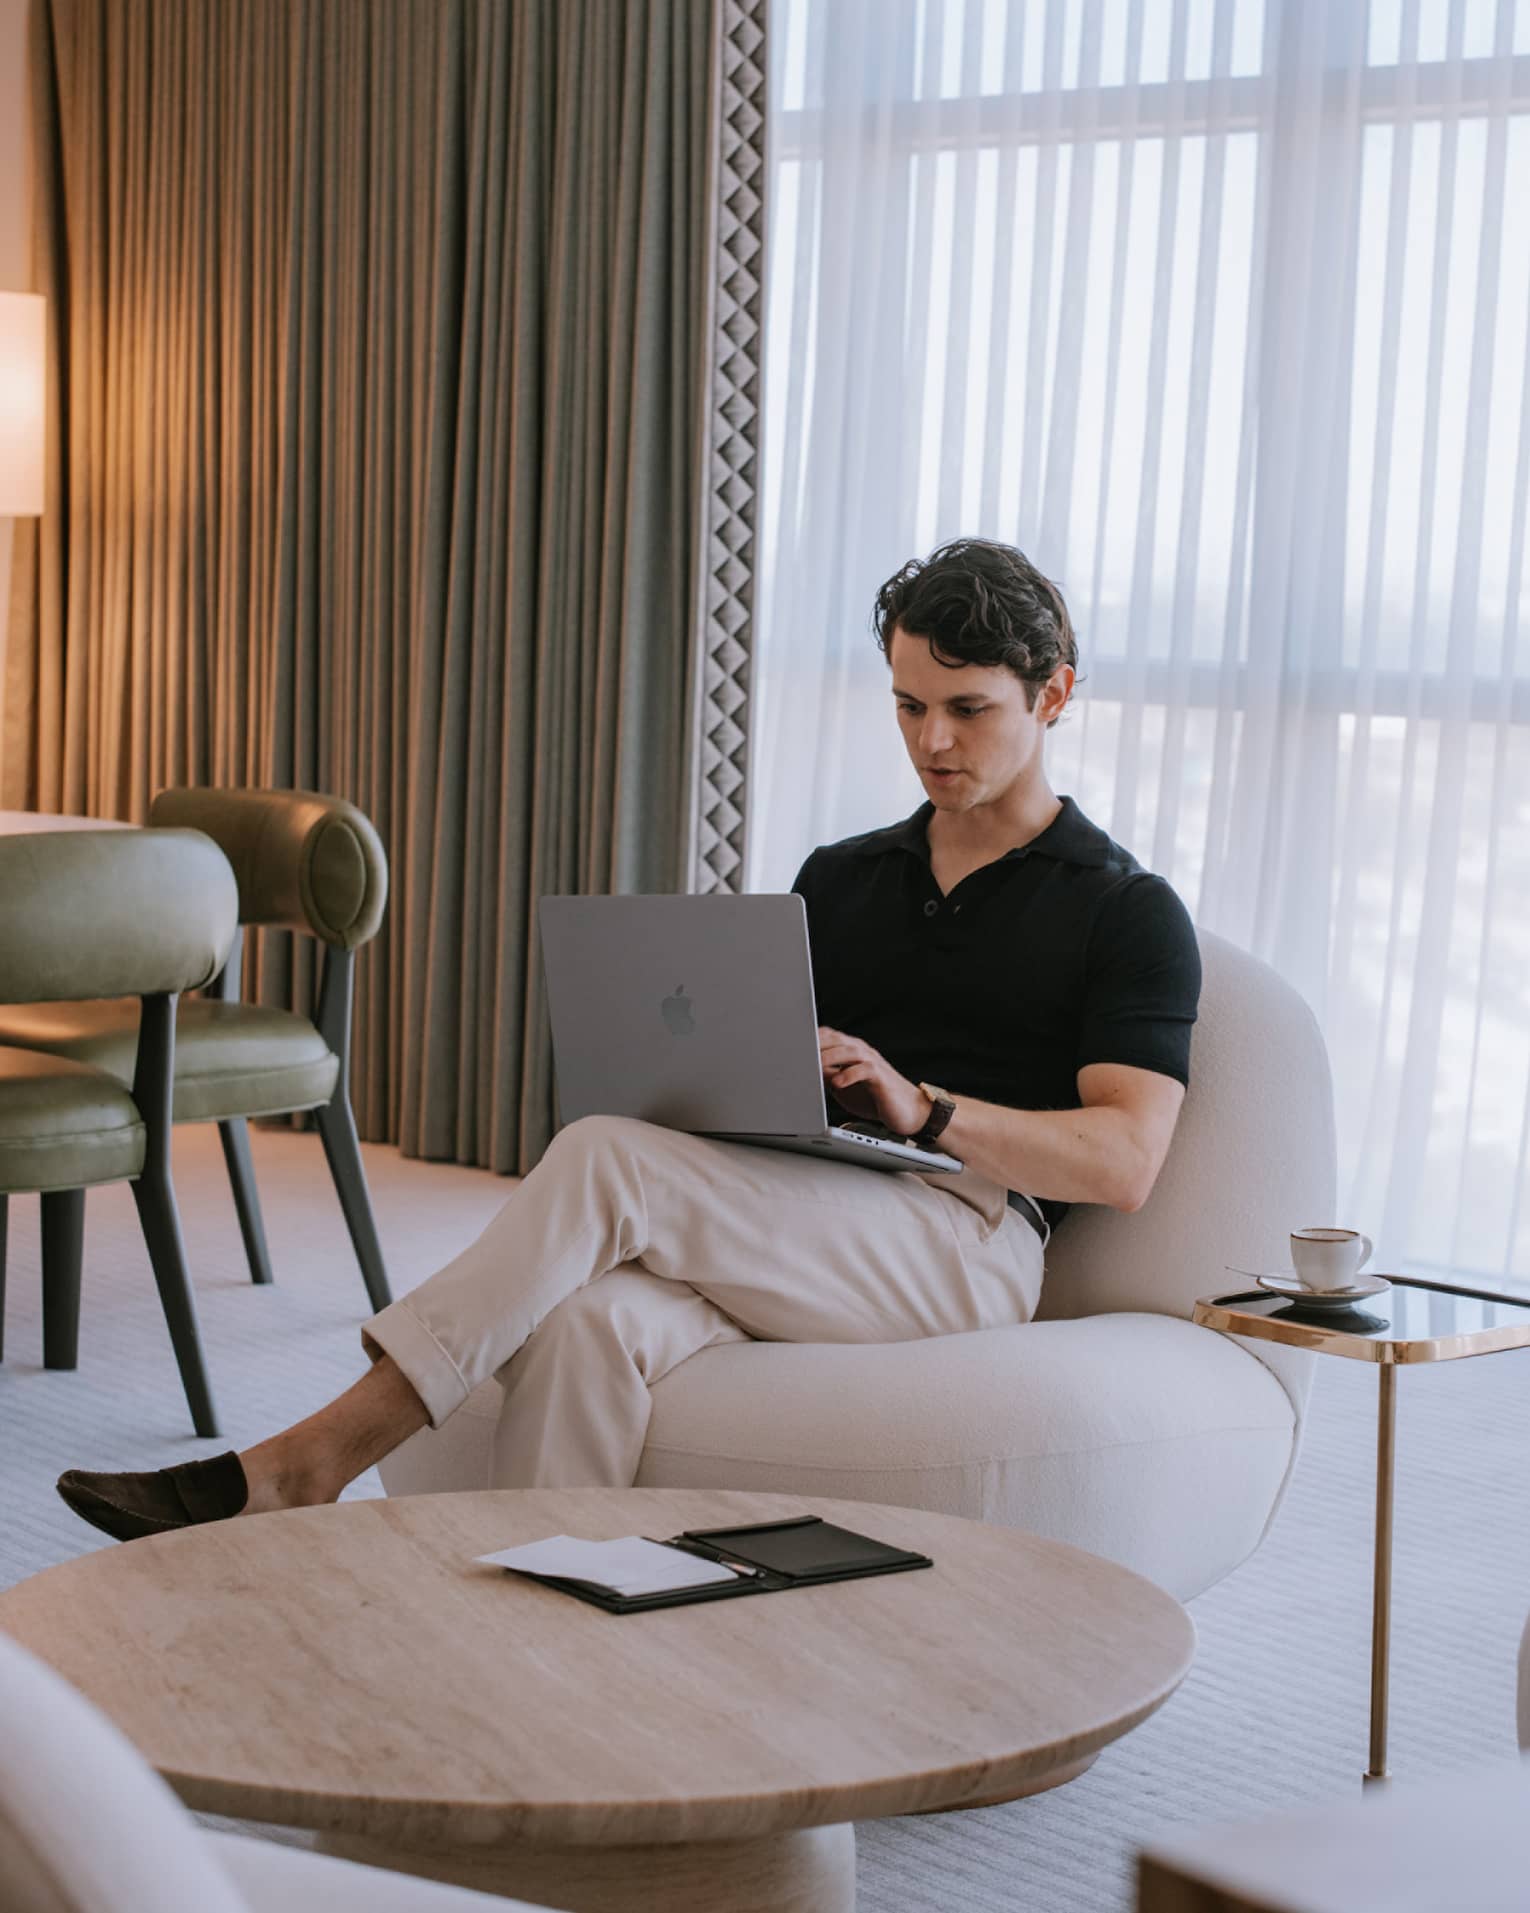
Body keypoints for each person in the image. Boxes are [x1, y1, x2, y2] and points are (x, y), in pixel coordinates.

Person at [56, 538, 1201, 1542]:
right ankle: (537, 1639)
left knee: (608, 1156)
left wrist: (928, 1107)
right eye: (908, 705)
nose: (931, 739)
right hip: (806, 1204)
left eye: (968, 708)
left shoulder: (1123, 907)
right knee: (588, 1324)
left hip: (968, 1238)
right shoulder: (844, 876)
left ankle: (312, 1459)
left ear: (1053, 694)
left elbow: (1125, 1160)